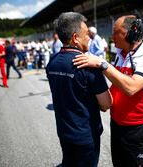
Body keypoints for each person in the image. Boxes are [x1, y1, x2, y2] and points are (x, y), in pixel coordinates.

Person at [73, 15, 143, 167]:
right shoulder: (121, 52)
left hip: (138, 128)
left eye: (116, 32)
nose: (112, 36)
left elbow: (131, 87)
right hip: (117, 123)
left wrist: (102, 64)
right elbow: (117, 83)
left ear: (131, 33)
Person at [46, 12, 113, 167]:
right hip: (86, 135)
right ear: (76, 38)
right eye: (86, 34)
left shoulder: (53, 62)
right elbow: (106, 103)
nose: (89, 38)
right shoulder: (88, 66)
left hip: (64, 131)